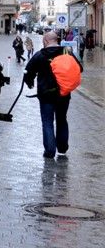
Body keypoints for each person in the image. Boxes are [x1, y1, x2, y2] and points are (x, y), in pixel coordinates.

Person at [24, 31, 84, 159]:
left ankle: (50, 151)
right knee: (62, 120)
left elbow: (28, 72)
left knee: (47, 122)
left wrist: (29, 83)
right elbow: (80, 67)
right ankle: (62, 148)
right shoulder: (67, 52)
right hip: (64, 93)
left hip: (46, 95)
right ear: (57, 40)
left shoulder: (40, 55)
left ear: (45, 41)